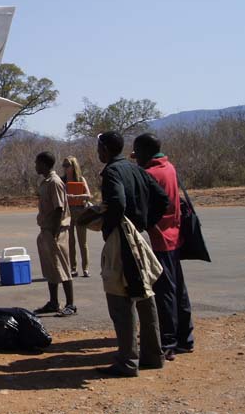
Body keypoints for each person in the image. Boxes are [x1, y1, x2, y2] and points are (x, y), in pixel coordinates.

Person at [95, 131, 169, 377]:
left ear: (105, 149)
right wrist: (145, 223)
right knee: (146, 297)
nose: (98, 152)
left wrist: (109, 228)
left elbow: (117, 201)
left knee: (120, 299)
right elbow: (162, 198)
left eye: (98, 147)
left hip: (123, 240)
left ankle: (127, 362)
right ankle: (153, 355)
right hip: (140, 236)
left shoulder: (112, 172)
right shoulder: (137, 169)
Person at [134, 132, 195, 360]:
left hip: (160, 237)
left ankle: (168, 341)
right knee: (178, 289)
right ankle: (184, 338)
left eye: (137, 152)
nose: (136, 157)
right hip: (175, 235)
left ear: (145, 152)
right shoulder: (169, 167)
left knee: (164, 291)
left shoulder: (149, 174)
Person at [34, 151, 76, 316]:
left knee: (62, 266)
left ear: (44, 164)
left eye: (37, 163)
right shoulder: (45, 182)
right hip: (46, 230)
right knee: (50, 267)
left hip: (56, 231)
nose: (35, 166)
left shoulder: (55, 182)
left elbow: (59, 208)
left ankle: (71, 304)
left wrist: (55, 231)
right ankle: (53, 302)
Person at [61, 156, 94, 278]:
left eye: (67, 165)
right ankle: (73, 268)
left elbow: (88, 195)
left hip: (80, 212)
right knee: (70, 242)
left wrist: (75, 196)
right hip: (68, 213)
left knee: (82, 242)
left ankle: (85, 268)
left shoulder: (80, 179)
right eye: (63, 165)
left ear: (73, 166)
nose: (65, 168)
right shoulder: (62, 180)